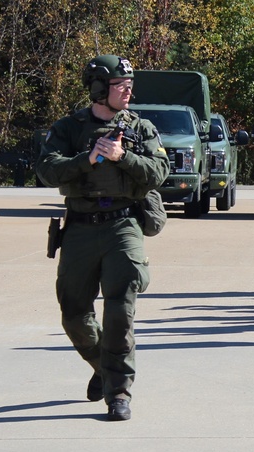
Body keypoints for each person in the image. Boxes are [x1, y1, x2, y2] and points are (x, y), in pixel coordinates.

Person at [35, 54, 170, 421]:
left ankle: (120, 391)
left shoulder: (140, 128)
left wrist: (123, 157)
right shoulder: (69, 128)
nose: (128, 91)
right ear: (98, 89)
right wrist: (87, 159)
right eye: (119, 85)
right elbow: (47, 170)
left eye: (129, 85)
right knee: (74, 314)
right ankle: (104, 367)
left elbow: (159, 172)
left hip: (123, 224)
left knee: (119, 312)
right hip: (79, 226)